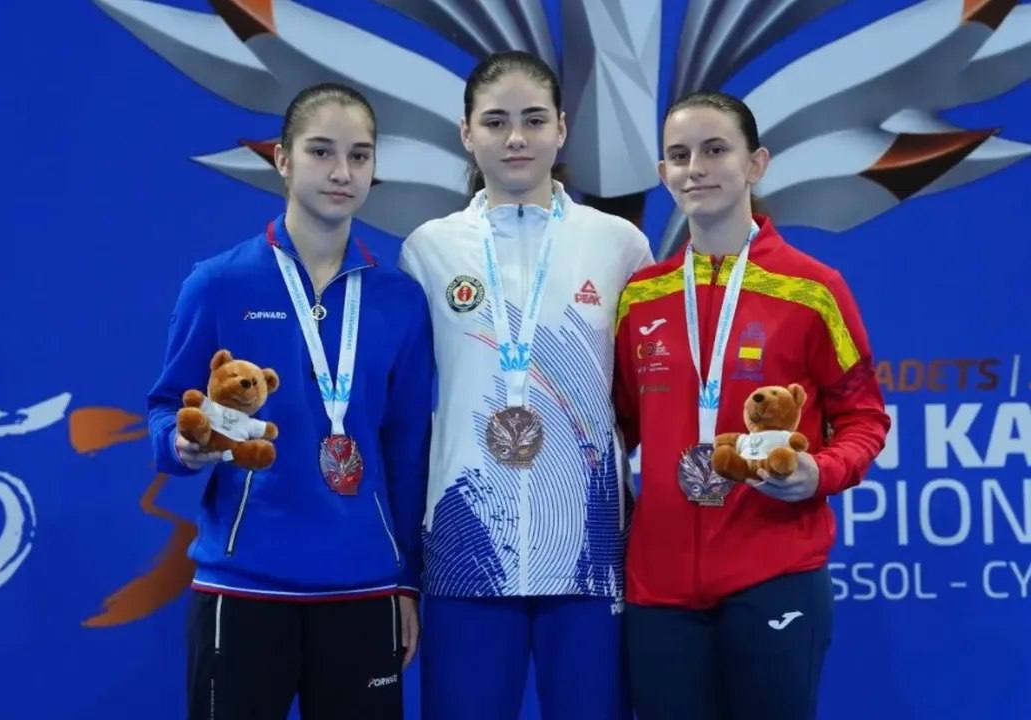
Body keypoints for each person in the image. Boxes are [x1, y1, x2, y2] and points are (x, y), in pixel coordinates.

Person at [146, 83, 433, 720]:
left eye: (359, 156)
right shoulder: (219, 283)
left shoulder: (400, 299)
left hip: (364, 588)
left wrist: (407, 579)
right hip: (244, 585)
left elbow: (409, 448)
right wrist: (184, 445)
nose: (342, 172)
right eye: (321, 151)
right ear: (282, 159)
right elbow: (167, 410)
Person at [613, 90, 891, 720]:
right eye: (679, 155)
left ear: (756, 163)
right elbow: (615, 426)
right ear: (663, 173)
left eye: (716, 150)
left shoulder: (813, 290)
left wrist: (820, 471)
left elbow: (864, 417)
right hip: (658, 588)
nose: (696, 168)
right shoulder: (641, 296)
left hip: (774, 572)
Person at [398, 51, 654, 720]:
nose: (516, 138)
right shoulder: (427, 250)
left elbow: (642, 397)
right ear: (466, 133)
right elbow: (407, 411)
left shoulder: (620, 244)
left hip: (589, 551)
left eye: (534, 120)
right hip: (465, 547)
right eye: (496, 121)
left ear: (562, 129)